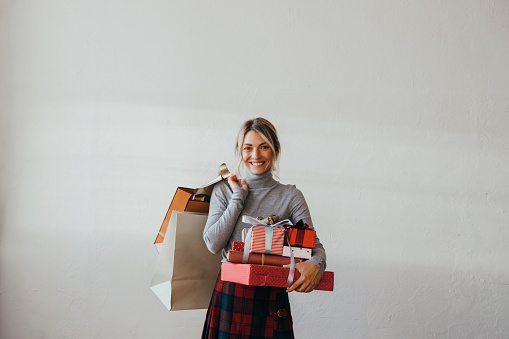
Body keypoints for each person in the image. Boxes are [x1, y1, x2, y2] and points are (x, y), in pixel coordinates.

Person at [202, 117, 327, 339]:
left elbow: (315, 247)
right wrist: (238, 197)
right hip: (231, 297)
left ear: (275, 150)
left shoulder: (291, 196)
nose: (256, 156)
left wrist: (316, 264)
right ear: (240, 151)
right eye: (248, 148)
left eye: (264, 147)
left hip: (272, 298)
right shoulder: (224, 191)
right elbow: (213, 244)